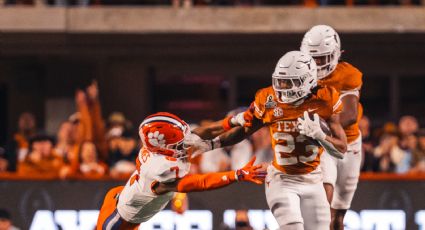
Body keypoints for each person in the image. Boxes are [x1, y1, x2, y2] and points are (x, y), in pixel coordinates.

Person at [186, 51, 347, 230]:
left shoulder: (325, 99)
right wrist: (212, 144)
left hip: (313, 178)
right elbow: (245, 130)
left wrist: (320, 136)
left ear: (308, 80)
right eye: (281, 81)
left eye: (291, 82)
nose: (284, 87)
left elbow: (341, 149)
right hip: (282, 178)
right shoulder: (269, 99)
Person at [96, 112, 266, 229]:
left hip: (123, 197)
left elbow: (211, 133)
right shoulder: (160, 171)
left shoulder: (164, 150)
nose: (185, 143)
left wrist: (242, 119)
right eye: (179, 142)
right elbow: (200, 182)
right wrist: (236, 174)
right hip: (120, 223)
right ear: (164, 147)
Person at [300, 24, 364, 229]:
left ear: (337, 54)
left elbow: (350, 115)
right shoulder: (298, 75)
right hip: (323, 144)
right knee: (324, 195)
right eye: (313, 57)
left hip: (350, 144)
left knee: (338, 216)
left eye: (322, 58)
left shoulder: (349, 74)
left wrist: (319, 125)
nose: (317, 64)